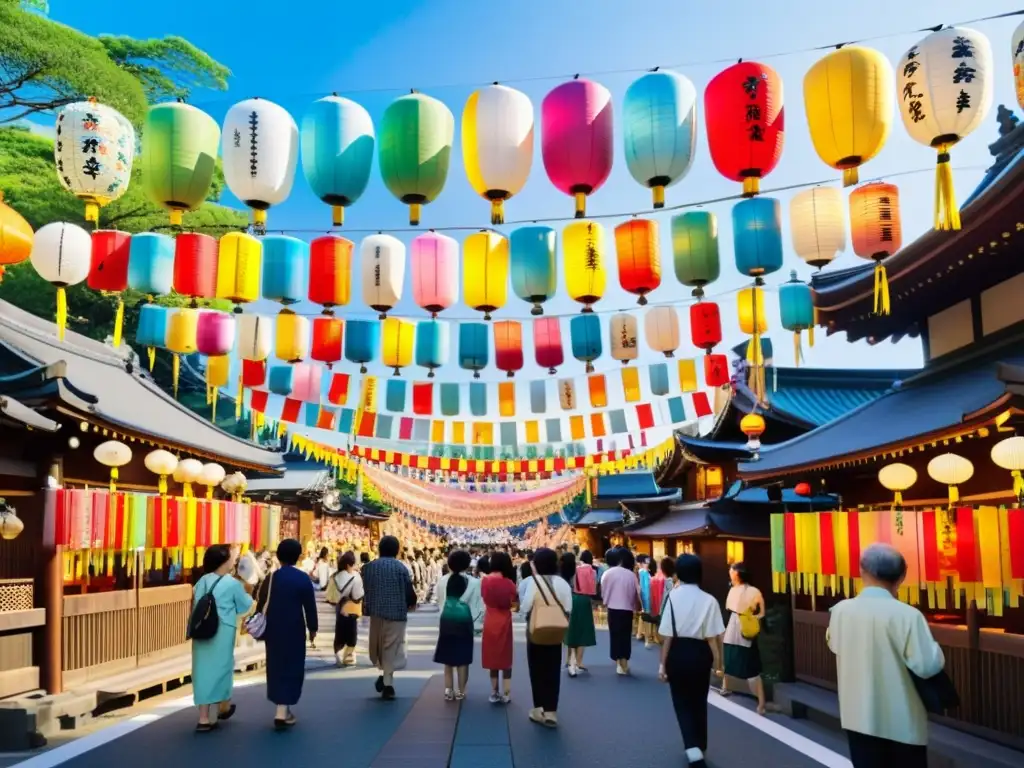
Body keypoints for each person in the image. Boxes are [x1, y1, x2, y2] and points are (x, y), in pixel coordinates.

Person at [828, 544, 945, 768]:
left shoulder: (841, 611)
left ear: (862, 571)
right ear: (901, 577)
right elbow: (927, 665)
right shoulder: (908, 616)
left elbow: (834, 644)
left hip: (857, 715)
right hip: (901, 721)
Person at [658, 554, 725, 768]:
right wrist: (719, 665)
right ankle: (700, 744)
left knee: (681, 702)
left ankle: (692, 748)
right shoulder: (709, 600)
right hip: (701, 653)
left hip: (678, 652)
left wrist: (662, 664)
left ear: (679, 573)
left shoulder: (672, 597)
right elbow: (714, 638)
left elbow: (667, 635)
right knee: (698, 700)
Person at [255, 538, 318, 729]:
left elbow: (261, 603)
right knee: (293, 667)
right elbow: (310, 607)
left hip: (273, 629)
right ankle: (284, 710)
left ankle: (280, 708)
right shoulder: (302, 578)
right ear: (298, 556)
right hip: (294, 629)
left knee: (275, 666)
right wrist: (312, 629)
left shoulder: (271, 577)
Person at [191, 544, 253, 732]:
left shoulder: (202, 581)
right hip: (223, 629)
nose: (233, 561)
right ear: (223, 562)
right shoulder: (232, 583)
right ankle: (220, 708)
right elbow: (244, 606)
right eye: (230, 559)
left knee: (202, 670)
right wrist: (249, 595)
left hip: (201, 629)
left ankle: (203, 717)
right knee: (222, 668)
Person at [520, 547, 572, 728]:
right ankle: (551, 711)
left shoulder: (534, 583)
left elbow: (525, 607)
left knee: (537, 669)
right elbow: (568, 608)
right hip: (556, 630)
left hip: (536, 629)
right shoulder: (563, 583)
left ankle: (539, 708)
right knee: (553, 668)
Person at [361, 535, 417, 700]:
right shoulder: (401, 568)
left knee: (378, 646)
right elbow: (409, 591)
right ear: (396, 550)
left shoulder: (368, 568)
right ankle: (388, 683)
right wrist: (412, 603)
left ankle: (385, 678)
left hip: (376, 612)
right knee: (391, 648)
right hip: (396, 613)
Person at [433, 550, 483, 701]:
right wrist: (476, 623)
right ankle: (461, 690)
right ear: (468, 565)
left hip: (447, 619)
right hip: (465, 621)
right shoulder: (474, 582)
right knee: (463, 657)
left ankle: (448, 689)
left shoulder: (442, 581)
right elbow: (477, 606)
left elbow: (440, 602)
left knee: (448, 656)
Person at [719, 561, 767, 714]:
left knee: (744, 664)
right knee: (743, 664)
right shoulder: (752, 591)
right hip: (742, 627)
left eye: (732, 572)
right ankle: (760, 703)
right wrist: (753, 618)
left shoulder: (739, 591)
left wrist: (751, 618)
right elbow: (762, 613)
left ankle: (761, 702)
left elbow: (761, 612)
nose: (730, 574)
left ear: (737, 574)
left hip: (739, 628)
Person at [481, 551, 517, 704]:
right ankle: (507, 692)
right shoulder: (509, 583)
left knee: (492, 657)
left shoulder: (485, 581)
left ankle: (494, 691)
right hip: (505, 621)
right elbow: (513, 602)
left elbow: (484, 598)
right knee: (505, 657)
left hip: (490, 620)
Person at [601, 547, 639, 675]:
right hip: (627, 609)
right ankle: (624, 662)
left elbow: (604, 590)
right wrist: (636, 606)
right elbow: (636, 593)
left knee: (615, 635)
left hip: (613, 608)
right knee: (625, 636)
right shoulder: (631, 575)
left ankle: (619, 662)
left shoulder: (609, 573)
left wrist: (605, 602)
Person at [561, 552, 596, 677]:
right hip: (584, 600)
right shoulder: (591, 571)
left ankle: (569, 659)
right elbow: (593, 587)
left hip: (572, 599)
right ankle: (579, 662)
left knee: (572, 630)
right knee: (583, 631)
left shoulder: (571, 571)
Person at [327, 551, 364, 667]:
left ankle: (337, 653)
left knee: (339, 630)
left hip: (339, 608)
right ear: (348, 565)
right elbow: (358, 595)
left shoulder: (333, 576)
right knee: (351, 632)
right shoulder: (355, 577)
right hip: (351, 608)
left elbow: (330, 596)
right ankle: (348, 657)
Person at [646, 557, 667, 649]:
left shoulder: (653, 578)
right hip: (662, 603)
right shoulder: (665, 578)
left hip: (654, 602)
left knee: (654, 621)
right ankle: (659, 638)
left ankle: (652, 637)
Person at [637, 555, 653, 645]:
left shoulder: (644, 572)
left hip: (646, 596)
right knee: (646, 616)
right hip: (645, 596)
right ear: (642, 563)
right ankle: (648, 637)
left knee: (643, 616)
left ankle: (640, 633)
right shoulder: (643, 572)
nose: (647, 564)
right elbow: (644, 587)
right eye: (646, 562)